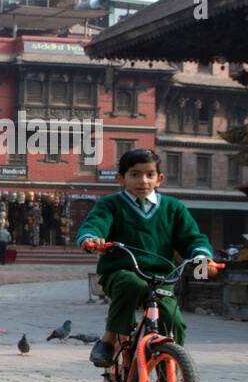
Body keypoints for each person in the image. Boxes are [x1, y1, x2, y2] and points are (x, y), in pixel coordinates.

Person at [77, 148, 216, 367]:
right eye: (134, 174)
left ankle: (167, 372)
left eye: (149, 174)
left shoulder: (174, 208)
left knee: (174, 322)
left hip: (161, 278)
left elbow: (192, 239)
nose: (143, 181)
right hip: (119, 273)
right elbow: (95, 224)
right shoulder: (110, 205)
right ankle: (109, 340)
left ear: (159, 179)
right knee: (132, 284)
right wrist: (92, 238)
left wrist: (202, 258)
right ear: (120, 178)